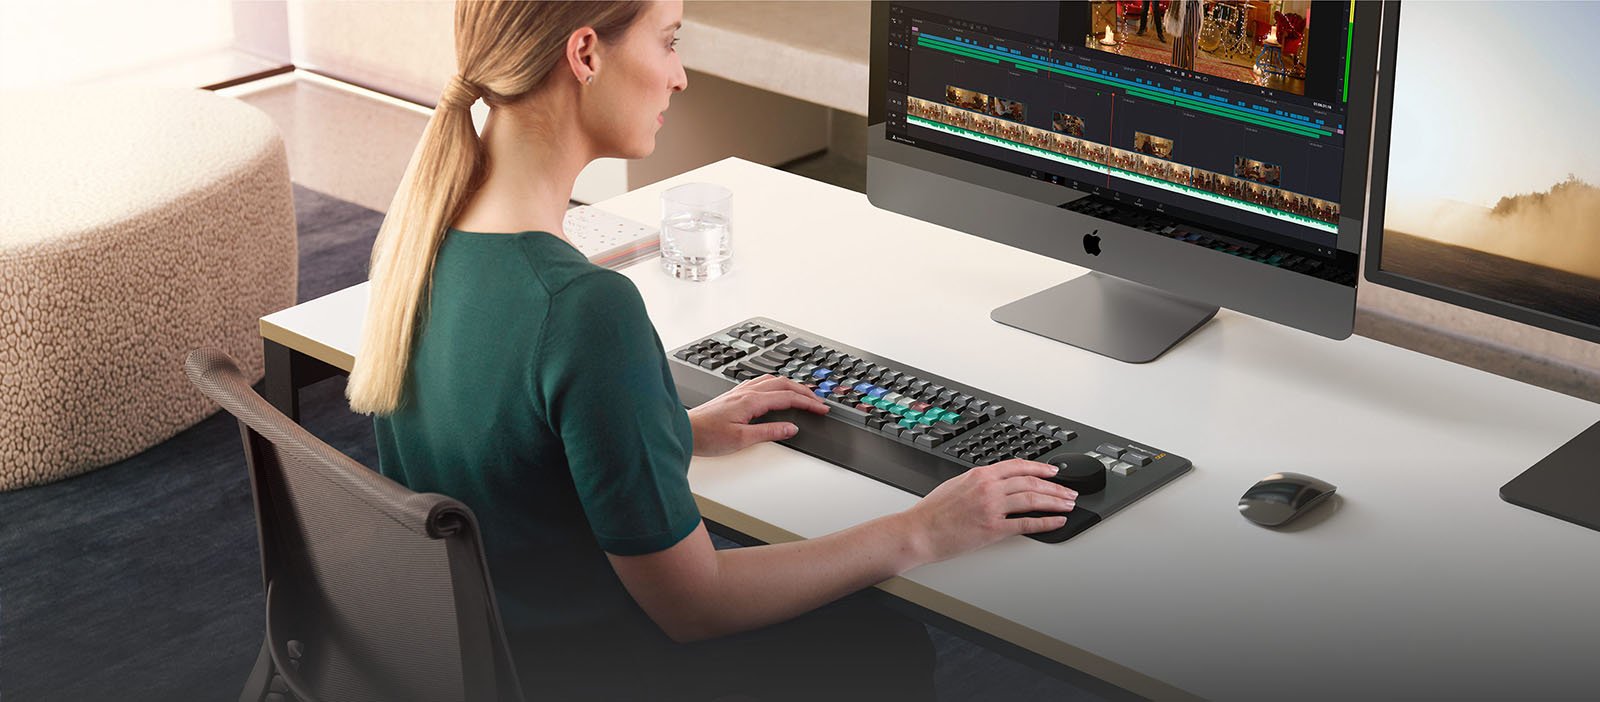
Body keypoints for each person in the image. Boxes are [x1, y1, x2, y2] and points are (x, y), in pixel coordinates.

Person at [345, 2, 1078, 700]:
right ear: (586, 53)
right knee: (882, 638)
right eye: (668, 40)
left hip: (490, 647)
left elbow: (498, 440)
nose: (680, 75)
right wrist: (922, 528)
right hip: (587, 669)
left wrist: (670, 428)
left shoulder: (425, 239)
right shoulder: (582, 308)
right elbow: (693, 604)